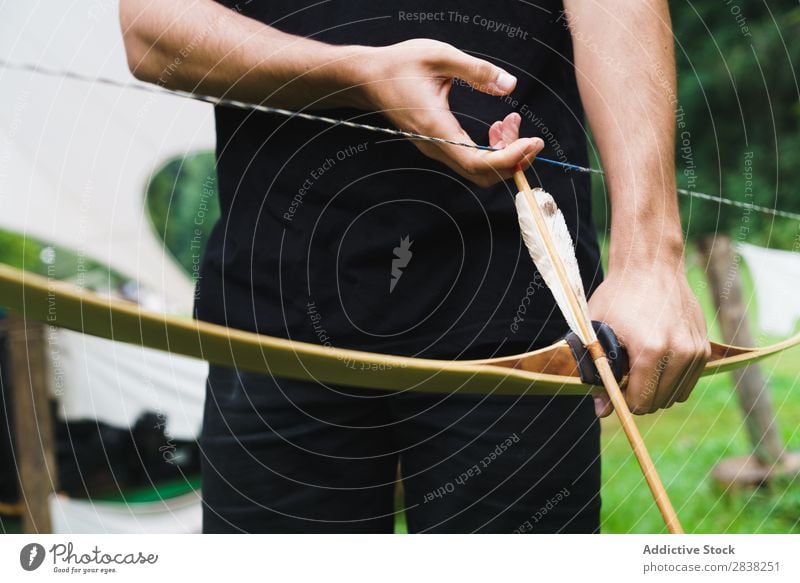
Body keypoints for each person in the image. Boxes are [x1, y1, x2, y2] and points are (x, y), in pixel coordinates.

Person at [120, 0, 710, 533]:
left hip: (522, 329)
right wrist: (356, 73)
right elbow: (152, 30)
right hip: (272, 325)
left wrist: (651, 256)